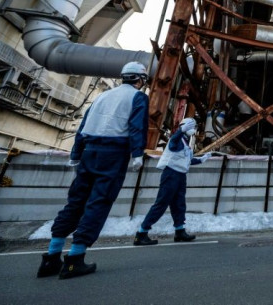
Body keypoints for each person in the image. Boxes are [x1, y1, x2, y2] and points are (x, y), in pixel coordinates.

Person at [37, 61, 150, 279]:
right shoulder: (138, 97)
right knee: (99, 201)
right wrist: (137, 154)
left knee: (75, 202)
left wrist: (75, 154)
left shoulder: (102, 97)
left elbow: (83, 125)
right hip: (113, 154)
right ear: (140, 79)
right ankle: (75, 260)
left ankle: (51, 258)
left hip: (89, 151)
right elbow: (137, 126)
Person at [133, 117, 210, 245]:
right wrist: (180, 130)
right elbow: (174, 140)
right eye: (190, 126)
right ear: (184, 127)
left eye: (193, 127)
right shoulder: (176, 139)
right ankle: (141, 233)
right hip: (171, 174)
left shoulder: (186, 143)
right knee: (161, 204)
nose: (193, 129)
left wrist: (202, 159)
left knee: (179, 204)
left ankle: (180, 231)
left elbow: (188, 160)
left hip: (180, 175)